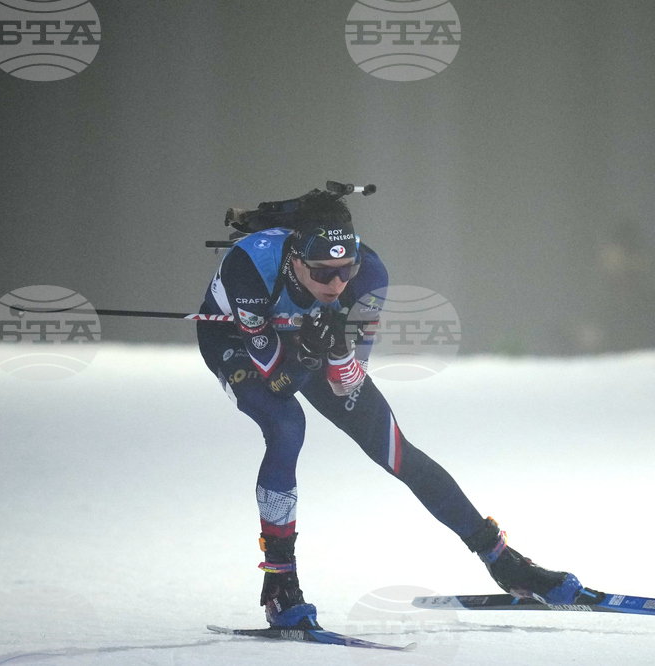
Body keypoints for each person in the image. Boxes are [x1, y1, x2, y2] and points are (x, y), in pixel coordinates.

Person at [196, 193, 602, 628]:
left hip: (303, 344)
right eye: (321, 274)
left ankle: (504, 561)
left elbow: (347, 379)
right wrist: (313, 350)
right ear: (295, 260)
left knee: (395, 450)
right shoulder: (248, 265)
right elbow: (278, 381)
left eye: (343, 272)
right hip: (237, 343)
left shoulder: (369, 274)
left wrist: (335, 349)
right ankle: (280, 583)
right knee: (286, 425)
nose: (335, 285)